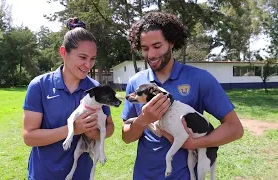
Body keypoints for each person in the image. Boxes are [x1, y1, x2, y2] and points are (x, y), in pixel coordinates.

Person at [121, 11, 244, 180]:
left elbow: (234, 129)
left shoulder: (200, 79)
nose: (151, 55)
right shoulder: (136, 83)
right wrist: (143, 119)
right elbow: (127, 137)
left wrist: (194, 144)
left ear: (171, 42)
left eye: (157, 46)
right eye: (145, 49)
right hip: (143, 175)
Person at [22, 22, 115, 179]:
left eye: (92, 59)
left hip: (81, 174)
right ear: (64, 52)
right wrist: (73, 129)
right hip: (44, 174)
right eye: (82, 57)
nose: (88, 65)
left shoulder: (96, 89)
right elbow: (29, 136)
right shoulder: (40, 86)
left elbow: (110, 127)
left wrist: (95, 133)